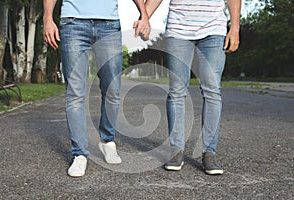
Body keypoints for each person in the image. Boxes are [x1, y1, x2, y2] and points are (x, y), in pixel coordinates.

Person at [43, 0, 150, 177]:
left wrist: (144, 15)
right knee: (75, 92)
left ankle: (107, 141)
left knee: (112, 89)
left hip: (108, 24)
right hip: (73, 22)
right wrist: (48, 18)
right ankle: (79, 153)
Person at [142, 0, 241, 174]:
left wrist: (235, 28)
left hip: (214, 29)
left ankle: (209, 152)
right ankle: (176, 151)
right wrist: (145, 17)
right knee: (177, 91)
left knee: (212, 90)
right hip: (178, 30)